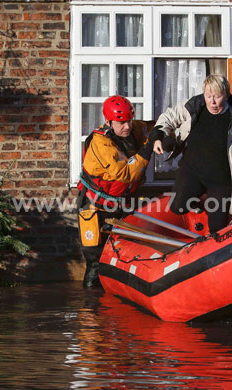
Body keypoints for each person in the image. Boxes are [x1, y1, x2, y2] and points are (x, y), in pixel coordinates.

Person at [152, 74, 232, 233]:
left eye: (217, 96)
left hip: (222, 179)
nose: (212, 102)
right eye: (208, 96)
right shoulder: (193, 106)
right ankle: (200, 202)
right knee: (177, 207)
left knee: (218, 227)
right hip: (193, 170)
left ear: (226, 95)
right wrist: (158, 136)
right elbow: (169, 117)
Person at [76, 95, 158, 288]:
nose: (127, 127)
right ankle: (91, 308)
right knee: (95, 262)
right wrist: (147, 150)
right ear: (108, 122)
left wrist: (163, 137)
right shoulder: (100, 142)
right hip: (95, 208)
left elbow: (154, 127)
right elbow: (123, 173)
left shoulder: (133, 128)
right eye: (121, 123)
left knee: (125, 255)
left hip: (122, 205)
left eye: (129, 120)